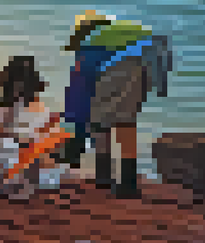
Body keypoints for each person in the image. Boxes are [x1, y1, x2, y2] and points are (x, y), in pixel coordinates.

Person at [61, 10, 173, 199]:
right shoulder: (129, 37)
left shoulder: (88, 47)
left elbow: (79, 93)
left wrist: (77, 133)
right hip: (144, 67)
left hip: (119, 71)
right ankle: (126, 182)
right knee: (125, 123)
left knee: (99, 122)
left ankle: (105, 178)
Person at [0, 55, 68, 198]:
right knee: (46, 153)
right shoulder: (30, 103)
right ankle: (17, 183)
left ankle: (12, 181)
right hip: (2, 158)